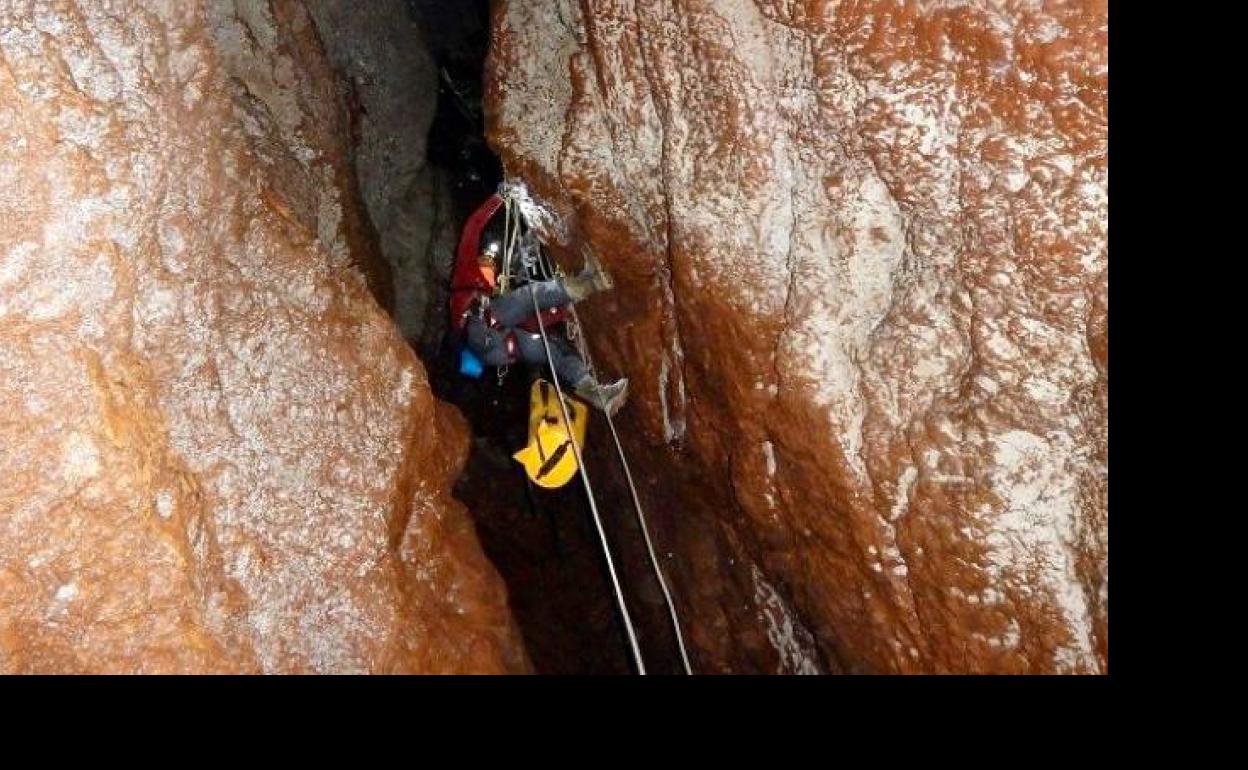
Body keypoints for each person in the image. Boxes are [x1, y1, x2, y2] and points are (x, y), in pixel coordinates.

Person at [459, 242, 629, 416]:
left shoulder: (483, 297)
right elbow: (475, 325)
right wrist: (479, 316)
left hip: (503, 346)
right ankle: (592, 283)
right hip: (490, 334)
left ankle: (600, 397)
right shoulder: (468, 293)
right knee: (529, 297)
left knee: (557, 350)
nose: (489, 267)